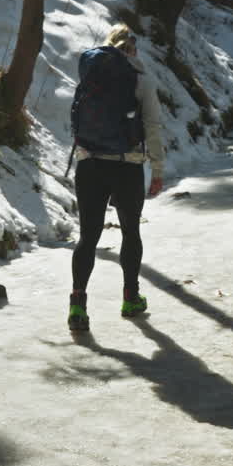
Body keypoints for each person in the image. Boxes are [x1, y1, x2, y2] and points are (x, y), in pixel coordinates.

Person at [68, 24, 165, 331]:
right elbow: (152, 126)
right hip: (127, 165)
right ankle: (130, 298)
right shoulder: (140, 79)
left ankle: (77, 306)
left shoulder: (90, 73)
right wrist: (158, 169)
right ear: (133, 49)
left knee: (88, 237)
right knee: (130, 232)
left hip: (90, 164)